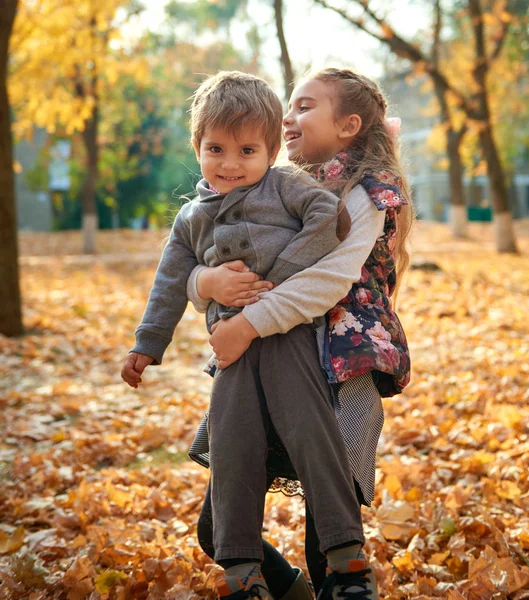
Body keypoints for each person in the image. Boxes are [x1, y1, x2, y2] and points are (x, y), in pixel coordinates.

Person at [121, 71, 366, 599]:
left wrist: (279, 275)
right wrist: (147, 344)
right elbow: (170, 281)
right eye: (216, 149)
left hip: (287, 339)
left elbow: (329, 217)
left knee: (311, 430)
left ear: (271, 150)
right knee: (232, 445)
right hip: (230, 350)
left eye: (247, 150)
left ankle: (346, 557)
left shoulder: (287, 186)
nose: (230, 164)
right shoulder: (191, 218)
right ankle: (242, 573)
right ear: (197, 146)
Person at [187, 68, 413, 599]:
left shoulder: (366, 195)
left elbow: (327, 281)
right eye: (289, 106)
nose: (289, 116)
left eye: (306, 106)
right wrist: (208, 281)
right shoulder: (270, 185)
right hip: (264, 365)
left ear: (348, 125)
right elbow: (202, 253)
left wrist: (244, 324)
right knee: (215, 527)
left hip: (341, 372)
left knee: (330, 535)